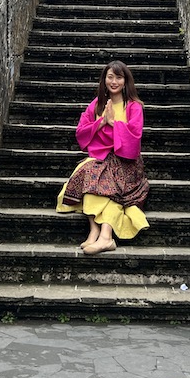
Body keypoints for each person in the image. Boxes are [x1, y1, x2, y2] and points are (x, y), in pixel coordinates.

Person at [56, 60, 150, 254]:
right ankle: (94, 231)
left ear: (125, 81)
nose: (114, 81)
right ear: (104, 79)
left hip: (126, 161)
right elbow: (81, 132)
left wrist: (114, 123)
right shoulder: (97, 105)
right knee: (89, 174)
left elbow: (134, 137)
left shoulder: (134, 106)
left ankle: (106, 237)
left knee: (109, 181)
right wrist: (101, 122)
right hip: (100, 157)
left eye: (119, 77)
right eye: (110, 77)